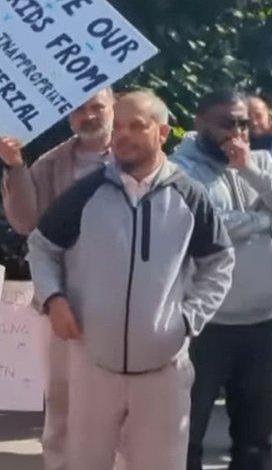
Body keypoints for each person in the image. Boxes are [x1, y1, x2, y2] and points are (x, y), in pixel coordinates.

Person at [27, 90, 234, 470]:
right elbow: (41, 247)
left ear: (163, 132)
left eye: (136, 125)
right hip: (94, 366)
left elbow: (219, 262)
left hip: (163, 370)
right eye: (118, 125)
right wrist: (54, 298)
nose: (123, 135)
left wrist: (188, 319)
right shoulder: (86, 193)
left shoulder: (189, 196)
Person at [0, 87, 114, 470]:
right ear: (68, 116)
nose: (89, 116)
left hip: (127, 302)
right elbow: (26, 222)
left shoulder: (141, 159)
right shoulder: (52, 163)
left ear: (115, 106)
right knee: (63, 403)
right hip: (63, 300)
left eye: (97, 107)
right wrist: (15, 167)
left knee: (122, 406)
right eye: (80, 109)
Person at [171, 89, 272, 470]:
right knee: (186, 435)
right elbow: (209, 224)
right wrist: (265, 220)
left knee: (256, 439)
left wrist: (248, 170)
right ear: (200, 124)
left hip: (263, 322)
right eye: (226, 123)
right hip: (204, 325)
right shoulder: (180, 169)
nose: (237, 132)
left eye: (244, 123)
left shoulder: (261, 162)